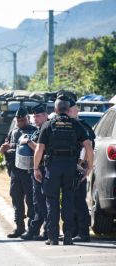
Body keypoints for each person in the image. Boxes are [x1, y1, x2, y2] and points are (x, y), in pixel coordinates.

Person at [34, 96, 94, 245]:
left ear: (55, 109)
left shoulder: (48, 125)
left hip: (52, 167)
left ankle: (53, 237)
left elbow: (39, 149)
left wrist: (36, 168)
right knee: (68, 200)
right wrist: (88, 167)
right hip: (70, 167)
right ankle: (67, 236)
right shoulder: (76, 125)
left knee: (52, 201)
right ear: (68, 109)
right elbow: (88, 147)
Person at [0, 107, 36, 238]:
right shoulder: (13, 132)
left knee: (31, 200)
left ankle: (32, 228)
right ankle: (19, 227)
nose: (21, 122)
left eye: (23, 120)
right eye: (18, 120)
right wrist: (3, 149)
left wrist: (12, 147)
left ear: (28, 118)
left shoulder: (34, 131)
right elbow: (4, 147)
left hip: (28, 171)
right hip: (15, 170)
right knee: (16, 199)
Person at [19, 104, 48, 240]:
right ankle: (35, 228)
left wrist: (29, 142)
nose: (35, 118)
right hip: (36, 169)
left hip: (44, 169)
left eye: (38, 116)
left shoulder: (47, 129)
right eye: (34, 116)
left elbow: (41, 149)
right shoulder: (39, 130)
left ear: (45, 115)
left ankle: (44, 230)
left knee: (42, 201)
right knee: (37, 201)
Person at [67, 98, 95, 243]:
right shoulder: (68, 124)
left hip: (79, 169)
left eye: (68, 109)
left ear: (73, 110)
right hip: (67, 168)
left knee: (78, 200)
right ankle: (72, 231)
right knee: (68, 201)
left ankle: (83, 232)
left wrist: (82, 165)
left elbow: (87, 146)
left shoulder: (81, 126)